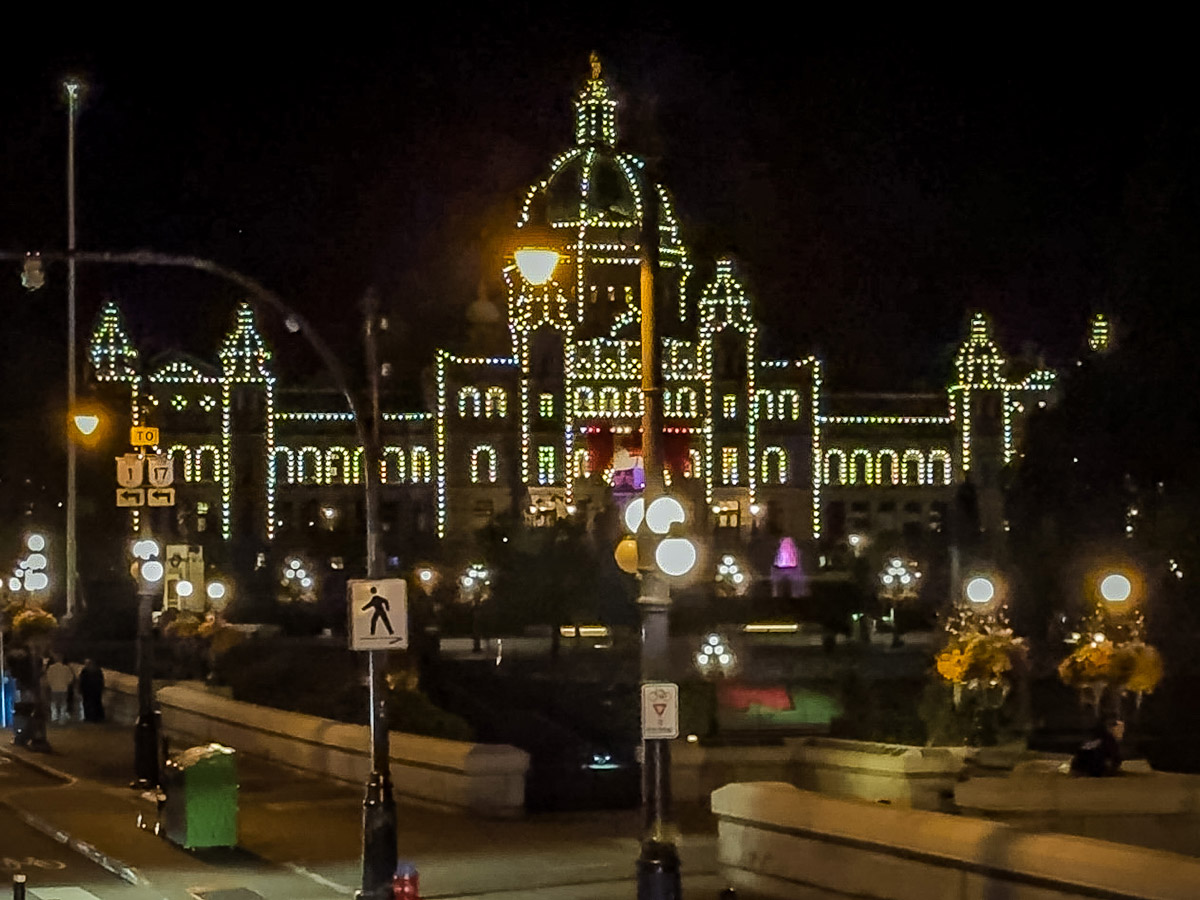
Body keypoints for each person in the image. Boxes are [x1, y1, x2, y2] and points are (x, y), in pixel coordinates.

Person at [44, 655, 76, 724]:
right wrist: (66, 683)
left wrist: (51, 684)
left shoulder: (51, 668)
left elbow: (48, 678)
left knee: (54, 703)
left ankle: (54, 717)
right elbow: (71, 678)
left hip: (54, 688)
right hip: (64, 688)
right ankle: (62, 718)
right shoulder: (66, 668)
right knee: (63, 703)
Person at [79, 659, 105, 723]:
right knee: (96, 703)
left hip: (88, 690)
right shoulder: (97, 670)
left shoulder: (85, 671)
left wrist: (81, 688)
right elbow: (101, 681)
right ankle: (97, 717)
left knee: (89, 704)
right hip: (95, 690)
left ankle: (90, 717)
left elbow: (82, 680)